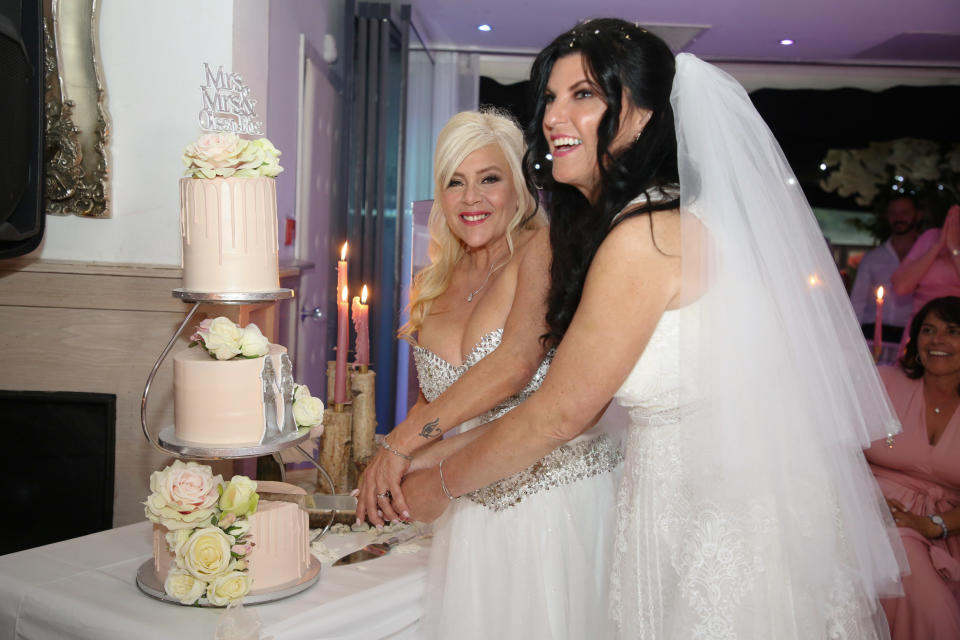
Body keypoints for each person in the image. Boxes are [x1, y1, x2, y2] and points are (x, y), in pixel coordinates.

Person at [397, 20, 905, 638]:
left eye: (583, 95)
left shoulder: (647, 238)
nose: (555, 116)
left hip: (718, 521)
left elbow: (559, 414)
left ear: (639, 114)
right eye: (550, 97)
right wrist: (424, 451)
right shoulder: (648, 219)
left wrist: (440, 485)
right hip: (668, 496)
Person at [355, 110, 623, 638]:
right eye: (455, 182)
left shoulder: (544, 251)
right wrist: (393, 465)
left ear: (519, 186)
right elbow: (436, 402)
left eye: (489, 179)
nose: (470, 198)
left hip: (555, 501)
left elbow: (515, 369)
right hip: (470, 500)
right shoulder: (433, 280)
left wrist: (402, 446)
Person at [866, 296, 960, 639]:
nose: (937, 340)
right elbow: (837, 450)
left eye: (953, 331)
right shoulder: (884, 383)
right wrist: (863, 500)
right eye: (928, 330)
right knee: (899, 548)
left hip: (946, 528)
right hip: (870, 509)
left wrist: (930, 525)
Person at [849, 195, 920, 346]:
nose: (898, 218)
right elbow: (857, 301)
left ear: (918, 215)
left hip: (913, 336)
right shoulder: (873, 258)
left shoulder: (927, 255)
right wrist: (852, 338)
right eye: (893, 213)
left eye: (905, 212)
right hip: (872, 335)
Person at [892, 203, 960, 353]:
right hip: (923, 327)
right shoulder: (931, 236)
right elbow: (900, 286)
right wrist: (937, 246)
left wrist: (955, 249)